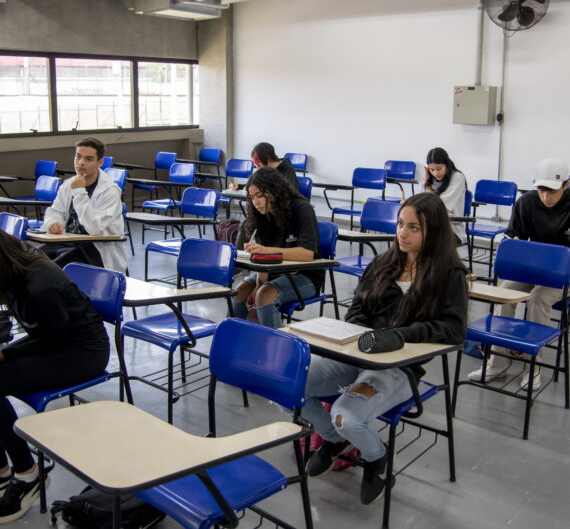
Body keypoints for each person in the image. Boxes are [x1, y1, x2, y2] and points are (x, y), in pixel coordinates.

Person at [302, 193, 468, 505]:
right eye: (400, 224)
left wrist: (400, 336)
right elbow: (355, 312)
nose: (402, 233)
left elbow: (453, 330)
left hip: (398, 370)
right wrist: (364, 335)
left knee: (344, 414)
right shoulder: (383, 263)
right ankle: (332, 439)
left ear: (433, 231)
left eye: (414, 228)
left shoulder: (449, 274)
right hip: (358, 355)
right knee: (290, 387)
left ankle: (376, 458)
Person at [0, 230, 110, 523]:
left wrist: (6, 354)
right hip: (57, 342)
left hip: (83, 353)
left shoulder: (40, 285)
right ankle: (2, 470)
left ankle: (27, 474)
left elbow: (53, 340)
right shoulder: (14, 270)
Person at [468, 157, 570, 390]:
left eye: (552, 190)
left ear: (566, 185)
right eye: (542, 189)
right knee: (503, 293)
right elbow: (513, 236)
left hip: (565, 276)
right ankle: (498, 361)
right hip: (533, 269)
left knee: (538, 298)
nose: (546, 196)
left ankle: (534, 366)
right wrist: (514, 243)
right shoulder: (526, 202)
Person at [230, 167, 323, 329]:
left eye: (260, 195)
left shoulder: (302, 209)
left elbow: (307, 254)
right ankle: (232, 345)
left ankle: (275, 351)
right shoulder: (262, 215)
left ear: (274, 191)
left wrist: (266, 251)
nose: (256, 202)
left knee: (265, 295)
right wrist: (258, 285)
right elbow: (264, 262)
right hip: (273, 273)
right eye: (252, 197)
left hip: (305, 276)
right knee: (240, 292)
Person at [40, 137, 127, 273]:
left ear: (100, 162)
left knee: (49, 271)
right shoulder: (69, 184)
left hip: (93, 249)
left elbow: (94, 228)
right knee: (28, 261)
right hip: (66, 243)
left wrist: (80, 192)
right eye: (78, 157)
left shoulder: (110, 190)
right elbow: (55, 211)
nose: (81, 163)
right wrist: (53, 222)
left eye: (88, 159)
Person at [423, 147, 467, 245]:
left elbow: (439, 204)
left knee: (429, 242)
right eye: (432, 170)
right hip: (431, 225)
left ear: (446, 164)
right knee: (414, 238)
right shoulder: (430, 179)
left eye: (439, 169)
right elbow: (421, 202)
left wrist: (427, 187)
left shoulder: (457, 177)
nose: (436, 173)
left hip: (451, 228)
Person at [229, 142, 300, 192]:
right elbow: (257, 184)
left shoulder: (287, 171)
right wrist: (239, 186)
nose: (258, 168)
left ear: (268, 159)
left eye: (259, 164)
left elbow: (291, 193)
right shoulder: (266, 170)